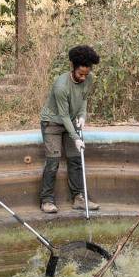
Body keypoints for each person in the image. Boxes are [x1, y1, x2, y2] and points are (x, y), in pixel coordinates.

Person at [39, 45, 101, 213]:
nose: (83, 78)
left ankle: (79, 198)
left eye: (86, 74)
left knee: (75, 159)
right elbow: (64, 115)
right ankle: (46, 200)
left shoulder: (89, 79)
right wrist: (76, 137)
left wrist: (82, 116)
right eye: (80, 74)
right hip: (52, 122)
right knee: (53, 161)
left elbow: (84, 99)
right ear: (72, 68)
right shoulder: (61, 86)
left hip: (70, 122)